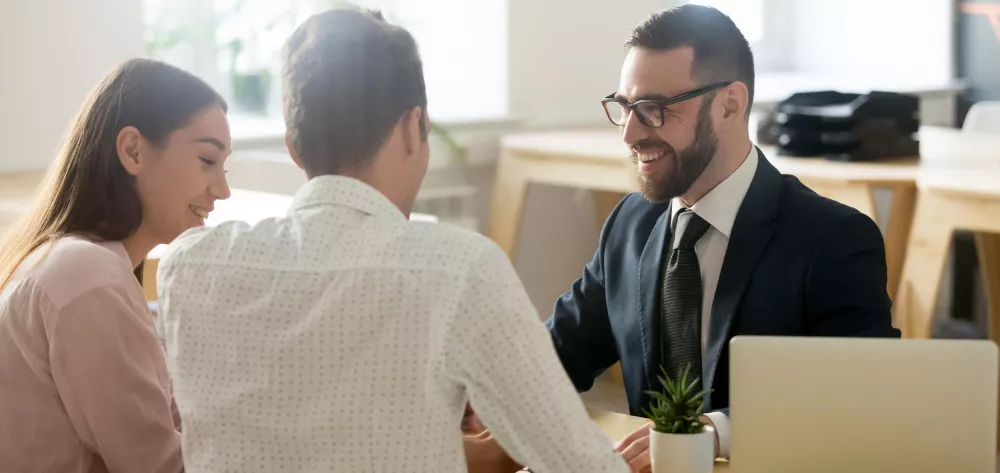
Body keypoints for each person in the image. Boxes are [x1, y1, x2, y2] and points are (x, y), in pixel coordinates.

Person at [155, 7, 629, 473]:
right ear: (411, 128)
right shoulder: (459, 268)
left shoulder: (187, 267)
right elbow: (581, 464)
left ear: (294, 148)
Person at [543, 5, 901, 472]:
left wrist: (712, 434)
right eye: (625, 107)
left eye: (654, 110)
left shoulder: (833, 240)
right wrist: (477, 398)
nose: (630, 133)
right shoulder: (630, 225)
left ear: (730, 103)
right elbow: (558, 352)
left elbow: (863, 393)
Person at [0, 58, 231, 472]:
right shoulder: (87, 277)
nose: (223, 190)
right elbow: (158, 466)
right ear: (133, 150)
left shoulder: (78, 263)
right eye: (207, 161)